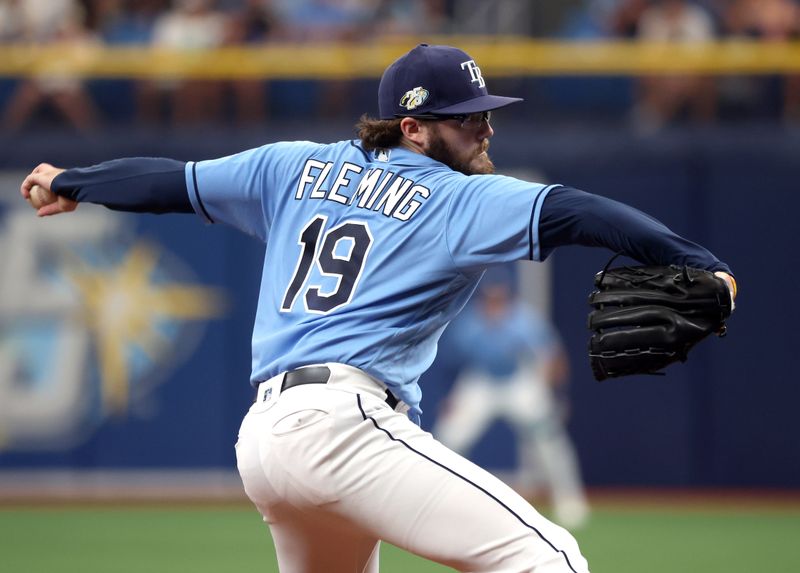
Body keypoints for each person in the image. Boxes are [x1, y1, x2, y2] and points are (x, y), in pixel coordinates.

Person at [21, 43, 736, 573]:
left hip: (267, 441)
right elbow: (579, 211)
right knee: (548, 557)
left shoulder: (292, 164)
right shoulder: (459, 197)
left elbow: (171, 182)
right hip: (344, 427)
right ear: (413, 128)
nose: (485, 131)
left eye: (484, 116)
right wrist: (700, 264)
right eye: (465, 120)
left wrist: (75, 180)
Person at [434, 270, 589, 530]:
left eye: (500, 298)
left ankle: (569, 500)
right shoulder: (469, 323)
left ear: (508, 297)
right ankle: (437, 501)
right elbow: (454, 366)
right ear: (483, 298)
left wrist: (556, 396)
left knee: (549, 439)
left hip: (518, 380)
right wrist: (451, 398)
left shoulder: (524, 320)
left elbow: (553, 358)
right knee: (448, 438)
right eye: (490, 298)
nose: (495, 303)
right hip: (481, 381)